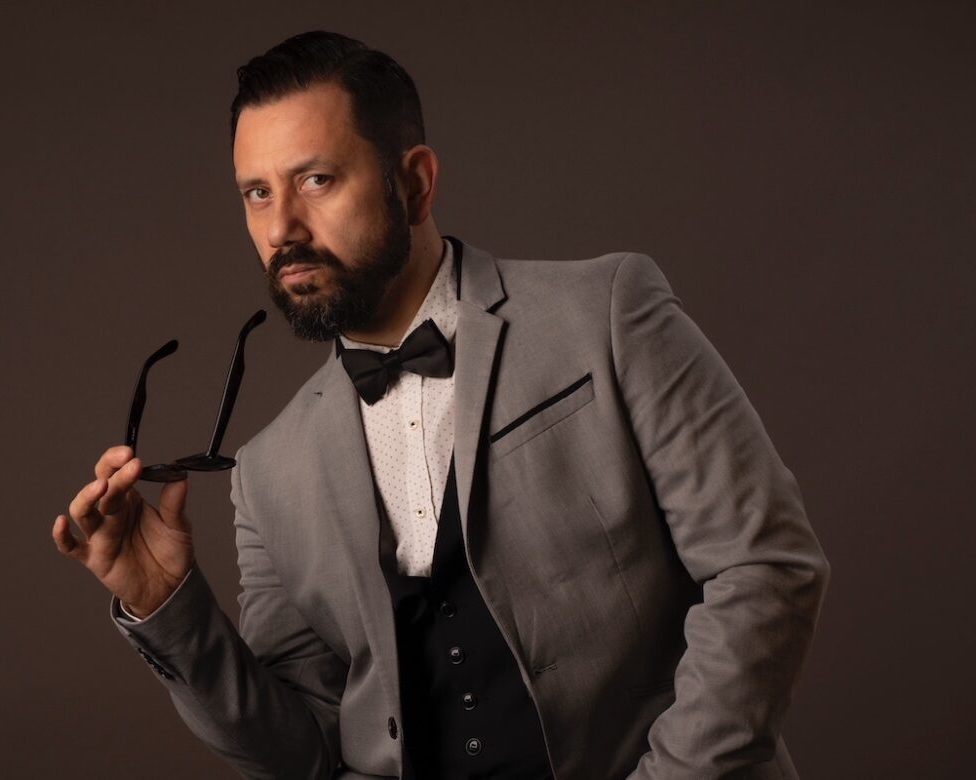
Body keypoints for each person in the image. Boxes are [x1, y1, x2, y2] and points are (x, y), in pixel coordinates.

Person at [52, 31, 829, 780]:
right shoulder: (266, 473)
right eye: (257, 193)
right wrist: (166, 606)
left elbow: (765, 568)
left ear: (415, 183)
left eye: (315, 180)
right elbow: (303, 753)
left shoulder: (605, 314)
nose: (281, 227)